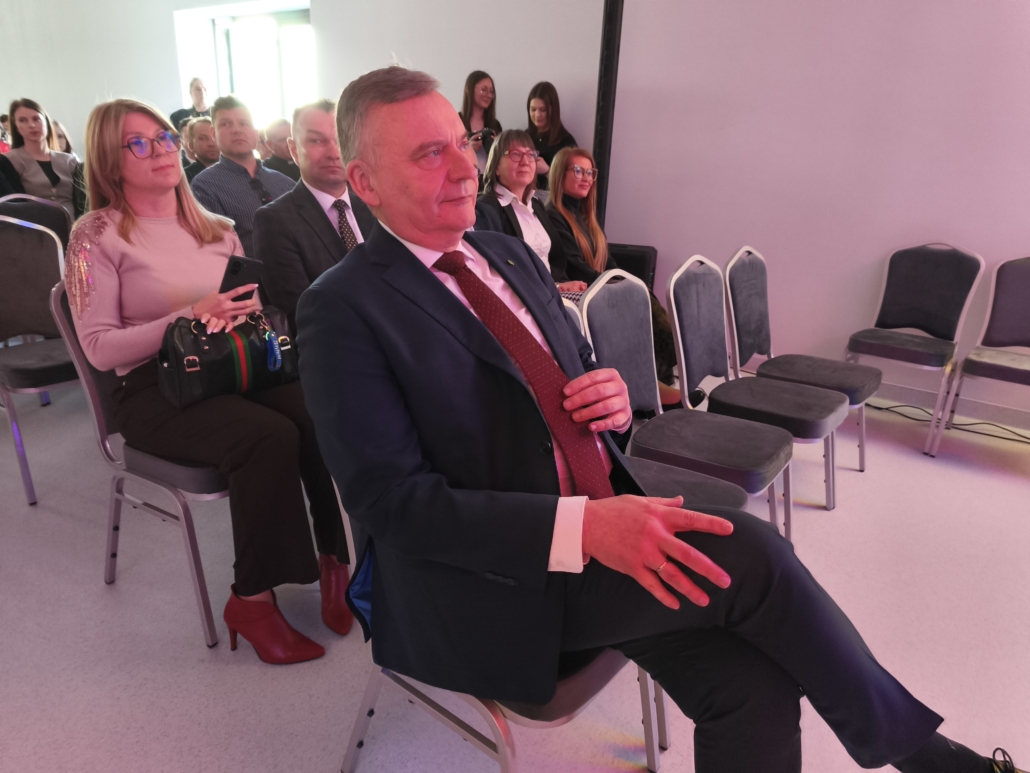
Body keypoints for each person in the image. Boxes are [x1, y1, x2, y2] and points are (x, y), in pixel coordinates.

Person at [295, 67, 1023, 773]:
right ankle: (932, 760)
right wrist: (586, 528)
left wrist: (611, 401)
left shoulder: (506, 254)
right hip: (496, 581)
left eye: (462, 142)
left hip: (604, 524)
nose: (464, 167)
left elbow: (578, 376)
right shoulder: (343, 308)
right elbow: (395, 507)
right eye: (430, 153)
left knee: (752, 687)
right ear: (366, 182)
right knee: (754, 551)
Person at [65, 97, 354, 665]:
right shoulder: (94, 235)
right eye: (138, 143)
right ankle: (253, 600)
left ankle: (335, 562)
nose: (160, 151)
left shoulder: (217, 228)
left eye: (165, 138)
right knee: (266, 436)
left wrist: (233, 316)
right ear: (108, 159)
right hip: (149, 389)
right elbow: (98, 349)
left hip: (226, 365)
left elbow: (248, 310)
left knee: (315, 410)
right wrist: (190, 316)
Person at [545, 146, 679, 401]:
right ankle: (652, 390)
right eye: (578, 171)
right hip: (580, 292)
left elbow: (608, 261)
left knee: (640, 293)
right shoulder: (553, 215)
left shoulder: (586, 216)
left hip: (597, 286)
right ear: (560, 174)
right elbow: (575, 266)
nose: (586, 178)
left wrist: (626, 282)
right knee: (636, 301)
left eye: (590, 172)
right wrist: (616, 285)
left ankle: (654, 385)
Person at [254, 99, 376, 336]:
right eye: (316, 141)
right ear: (293, 149)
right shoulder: (275, 221)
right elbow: (301, 315)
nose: (333, 153)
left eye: (341, 140)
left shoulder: (374, 206)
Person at [474, 129, 585, 294]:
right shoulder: (486, 208)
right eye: (515, 154)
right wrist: (557, 288)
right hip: (521, 299)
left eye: (530, 154)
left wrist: (562, 285)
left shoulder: (536, 205)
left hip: (552, 294)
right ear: (496, 166)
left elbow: (554, 262)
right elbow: (497, 273)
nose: (525, 161)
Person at [192, 95, 293, 257]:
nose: (236, 130)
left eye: (244, 123)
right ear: (213, 133)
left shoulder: (285, 183)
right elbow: (218, 251)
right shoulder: (205, 186)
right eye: (226, 124)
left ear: (255, 133)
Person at [4, 98, 82, 218]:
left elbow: (82, 201)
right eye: (22, 120)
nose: (31, 125)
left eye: (36, 119)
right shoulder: (9, 162)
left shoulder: (69, 161)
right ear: (16, 126)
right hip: (34, 227)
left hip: (75, 225)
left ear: (46, 122)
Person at [526, 81, 576, 191]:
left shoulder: (566, 142)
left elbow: (572, 186)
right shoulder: (524, 137)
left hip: (551, 199)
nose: (537, 115)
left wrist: (547, 171)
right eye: (533, 109)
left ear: (553, 109)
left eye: (543, 110)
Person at [458, 70, 502, 178]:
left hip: (489, 181)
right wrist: (467, 149)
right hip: (464, 179)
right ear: (468, 89)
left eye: (491, 92)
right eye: (483, 90)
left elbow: (503, 161)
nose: (488, 95)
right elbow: (447, 156)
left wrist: (498, 148)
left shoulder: (495, 125)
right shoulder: (457, 121)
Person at [183, 117, 219, 183]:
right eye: (203, 138)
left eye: (215, 137)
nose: (211, 144)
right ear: (191, 146)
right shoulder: (185, 177)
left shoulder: (235, 170)